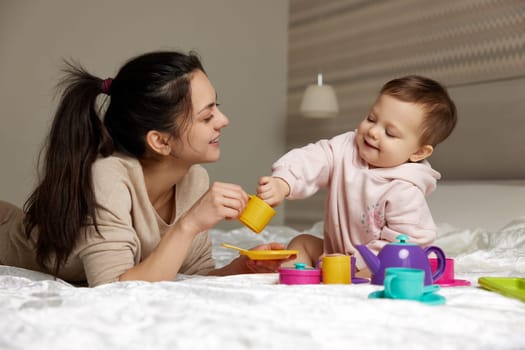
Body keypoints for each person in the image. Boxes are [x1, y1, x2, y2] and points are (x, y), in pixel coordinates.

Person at [0, 50, 291, 287]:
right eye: (207, 116)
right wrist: (189, 224)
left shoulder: (195, 180)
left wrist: (242, 267)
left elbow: (189, 274)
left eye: (218, 107)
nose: (223, 120)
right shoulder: (108, 178)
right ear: (161, 141)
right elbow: (114, 288)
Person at [256, 75, 457, 273]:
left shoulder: (404, 189)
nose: (373, 132)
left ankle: (339, 281)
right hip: (335, 253)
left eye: (390, 133)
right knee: (302, 243)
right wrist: (283, 182)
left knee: (390, 265)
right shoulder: (346, 148)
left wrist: (352, 264)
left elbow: (406, 244)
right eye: (371, 119)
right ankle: (297, 284)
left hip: (374, 261)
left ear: (418, 152)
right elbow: (313, 158)